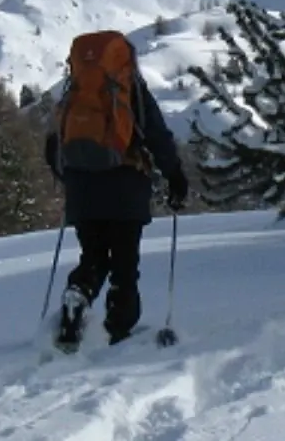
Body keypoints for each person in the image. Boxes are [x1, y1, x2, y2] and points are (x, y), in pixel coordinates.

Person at [44, 31, 189, 349]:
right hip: (126, 186)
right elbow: (157, 136)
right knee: (124, 264)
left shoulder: (74, 91)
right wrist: (175, 176)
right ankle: (117, 332)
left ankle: (79, 293)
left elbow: (54, 144)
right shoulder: (131, 89)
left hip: (82, 189)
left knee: (93, 255)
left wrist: (69, 180)